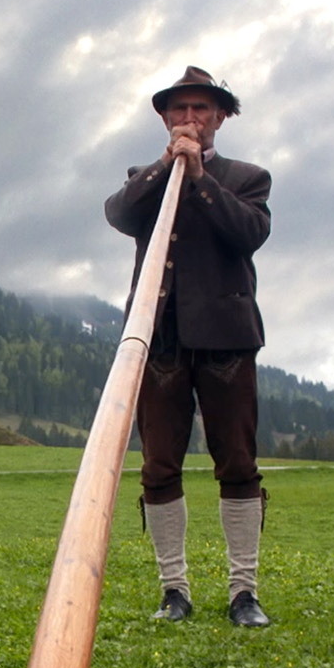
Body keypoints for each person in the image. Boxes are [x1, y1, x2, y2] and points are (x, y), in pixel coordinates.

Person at [105, 66, 272, 628]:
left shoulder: (248, 178)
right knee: (158, 466)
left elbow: (249, 234)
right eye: (179, 110)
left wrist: (199, 177)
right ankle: (173, 589)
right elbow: (119, 213)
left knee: (238, 464)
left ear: (221, 117)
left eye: (201, 110)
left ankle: (243, 591)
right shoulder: (144, 177)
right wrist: (167, 167)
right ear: (163, 117)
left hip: (227, 340)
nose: (189, 119)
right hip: (159, 340)